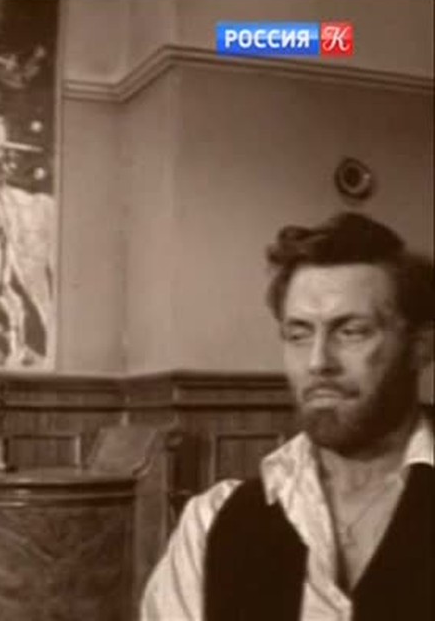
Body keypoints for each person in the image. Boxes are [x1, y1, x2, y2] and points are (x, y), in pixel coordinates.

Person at [141, 211, 433, 620]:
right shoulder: (214, 524)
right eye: (298, 334)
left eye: (351, 331)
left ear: (420, 347)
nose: (318, 362)